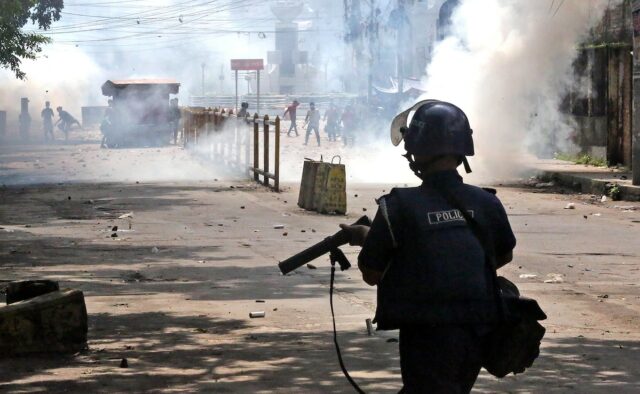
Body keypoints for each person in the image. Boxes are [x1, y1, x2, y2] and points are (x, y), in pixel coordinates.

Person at [339, 100, 516, 393]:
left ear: (416, 150)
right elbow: (502, 254)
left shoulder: (397, 208)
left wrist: (368, 237)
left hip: (425, 334)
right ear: (462, 149)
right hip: (479, 330)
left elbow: (372, 273)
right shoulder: (486, 202)